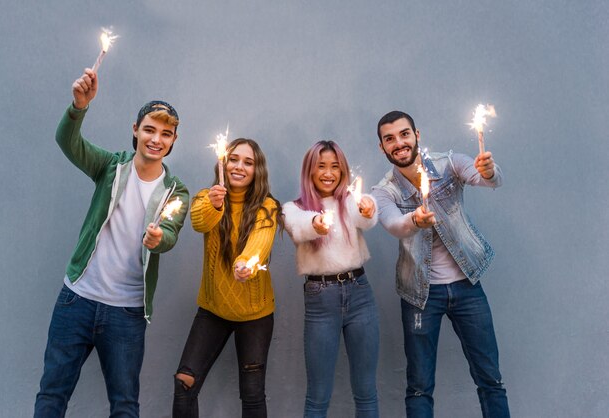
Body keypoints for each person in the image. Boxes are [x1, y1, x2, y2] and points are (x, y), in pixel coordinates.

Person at [34, 68, 190, 417]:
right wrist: (79, 107)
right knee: (52, 394)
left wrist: (157, 237)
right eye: (149, 129)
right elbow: (68, 142)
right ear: (135, 131)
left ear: (174, 140)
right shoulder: (110, 167)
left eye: (166, 134)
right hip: (76, 300)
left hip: (126, 312)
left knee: (124, 405)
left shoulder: (175, 191)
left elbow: (170, 233)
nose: (156, 139)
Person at [371, 110, 510, 417]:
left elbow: (489, 180)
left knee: (491, 379)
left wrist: (489, 171)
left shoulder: (449, 163)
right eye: (389, 139)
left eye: (404, 134)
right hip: (421, 298)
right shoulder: (383, 191)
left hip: (467, 290)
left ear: (416, 135)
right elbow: (394, 225)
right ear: (382, 147)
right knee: (419, 386)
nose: (399, 143)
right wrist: (414, 221)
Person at [173, 138, 282, 418]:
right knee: (185, 382)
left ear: (257, 170)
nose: (239, 167)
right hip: (213, 310)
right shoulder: (204, 197)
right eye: (234, 159)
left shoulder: (267, 206)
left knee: (253, 394)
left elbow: (261, 240)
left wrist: (246, 262)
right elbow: (199, 222)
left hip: (255, 315)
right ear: (223, 162)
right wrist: (214, 203)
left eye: (248, 162)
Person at [283, 140, 380, 418]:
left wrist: (368, 207)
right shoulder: (294, 208)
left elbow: (367, 217)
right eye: (321, 166)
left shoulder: (349, 201)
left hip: (360, 294)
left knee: (366, 392)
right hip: (320, 299)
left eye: (335, 166)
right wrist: (316, 224)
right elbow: (298, 227)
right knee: (318, 395)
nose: (328, 172)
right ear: (310, 172)